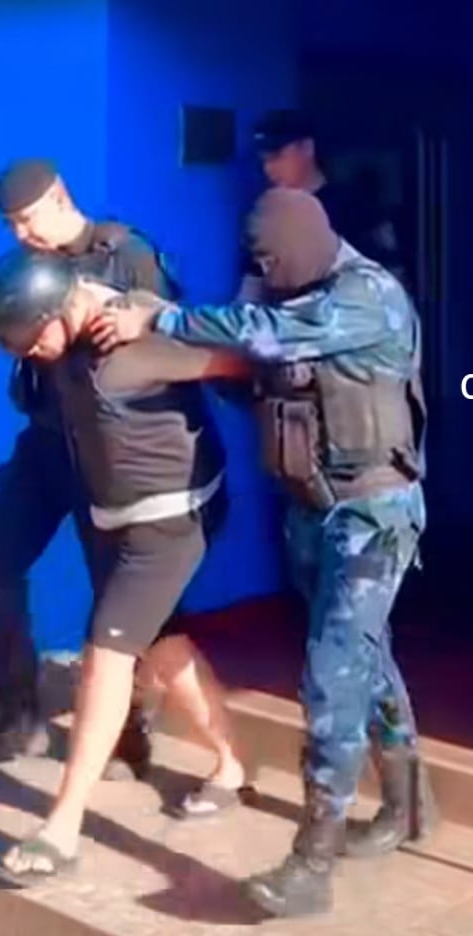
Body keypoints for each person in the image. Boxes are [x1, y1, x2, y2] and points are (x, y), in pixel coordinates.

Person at [89, 187, 435, 919]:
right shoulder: (293, 293)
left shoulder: (366, 295)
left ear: (303, 244)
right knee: (365, 657)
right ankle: (407, 808)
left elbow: (266, 334)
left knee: (331, 675)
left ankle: (311, 863)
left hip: (372, 513)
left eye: (273, 259)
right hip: (313, 510)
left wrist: (163, 318)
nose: (268, 272)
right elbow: (261, 374)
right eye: (260, 262)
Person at [0, 247, 253, 886]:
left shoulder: (136, 341)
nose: (36, 355)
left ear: (61, 310)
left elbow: (236, 361)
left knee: (107, 652)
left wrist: (157, 319)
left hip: (171, 520)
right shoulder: (59, 333)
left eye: (36, 341)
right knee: (163, 644)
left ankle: (61, 827)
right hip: (117, 517)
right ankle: (232, 764)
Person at [0, 159, 170, 778]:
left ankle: (128, 736)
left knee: (116, 598)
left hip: (108, 452)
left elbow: (167, 343)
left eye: (27, 219)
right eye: (11, 224)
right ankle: (19, 716)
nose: (21, 233)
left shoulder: (125, 256)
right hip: (45, 444)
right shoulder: (26, 269)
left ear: (60, 198)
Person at [239, 109, 405, 295]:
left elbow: (390, 277)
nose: (269, 168)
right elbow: (252, 286)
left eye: (277, 157)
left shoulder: (356, 209)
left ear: (307, 148)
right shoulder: (266, 218)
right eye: (264, 160)